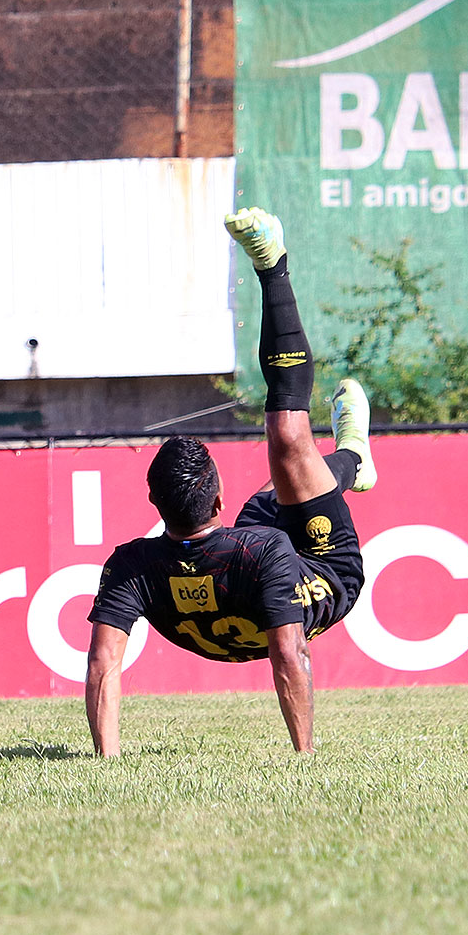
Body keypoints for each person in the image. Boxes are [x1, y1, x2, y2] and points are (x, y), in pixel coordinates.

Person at [85, 207, 378, 756]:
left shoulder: (134, 561)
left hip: (253, 568)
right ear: (217, 499)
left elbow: (104, 662)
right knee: (289, 443)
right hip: (328, 570)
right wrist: (305, 758)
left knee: (287, 479)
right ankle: (275, 268)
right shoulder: (261, 549)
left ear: (154, 502)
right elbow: (291, 653)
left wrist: (109, 759)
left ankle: (352, 461)